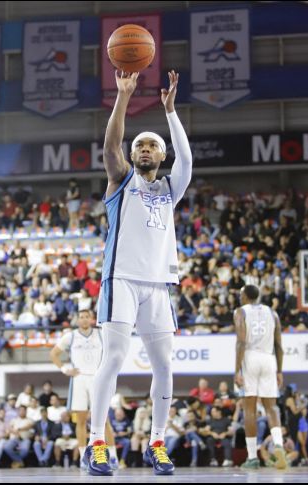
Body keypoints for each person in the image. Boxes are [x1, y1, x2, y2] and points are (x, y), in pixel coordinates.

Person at [86, 69, 191, 477]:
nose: (145, 149)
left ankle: (157, 442)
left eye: (152, 145)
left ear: (160, 156)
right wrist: (123, 97)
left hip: (159, 285)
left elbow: (187, 158)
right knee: (112, 358)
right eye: (140, 145)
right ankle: (97, 443)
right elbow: (111, 144)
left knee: (165, 366)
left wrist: (170, 112)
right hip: (121, 280)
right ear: (133, 155)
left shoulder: (170, 190)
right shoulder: (121, 180)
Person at [49, 309, 117, 469]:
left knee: (103, 420)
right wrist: (65, 370)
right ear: (77, 320)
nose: (84, 319)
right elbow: (53, 354)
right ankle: (82, 457)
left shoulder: (101, 334)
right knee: (80, 420)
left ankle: (112, 456)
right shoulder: (70, 336)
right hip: (78, 378)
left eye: (87, 317)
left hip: (97, 378)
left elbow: (114, 351)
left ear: (92, 319)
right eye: (81, 317)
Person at [234, 285, 286, 470]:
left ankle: (252, 457)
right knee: (271, 407)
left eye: (241, 295)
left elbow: (240, 342)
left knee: (249, 409)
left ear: (246, 296)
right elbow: (279, 345)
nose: (239, 297)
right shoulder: (272, 313)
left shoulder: (241, 312)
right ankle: (279, 445)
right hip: (269, 358)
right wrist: (279, 370)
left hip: (250, 357)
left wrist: (237, 369)